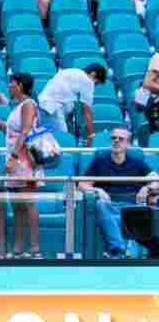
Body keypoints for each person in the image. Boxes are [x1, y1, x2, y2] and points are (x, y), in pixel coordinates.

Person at [0, 71, 43, 258]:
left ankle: (34, 249)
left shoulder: (28, 104)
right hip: (15, 158)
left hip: (24, 159)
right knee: (17, 206)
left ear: (19, 85)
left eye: (11, 83)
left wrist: (12, 156)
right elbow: (11, 131)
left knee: (27, 204)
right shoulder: (18, 106)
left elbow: (26, 131)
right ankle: (18, 249)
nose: (9, 87)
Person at [79, 126, 155, 258]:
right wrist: (97, 189)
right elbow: (81, 184)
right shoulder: (99, 161)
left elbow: (156, 180)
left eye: (121, 139)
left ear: (127, 143)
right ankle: (119, 249)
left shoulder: (137, 163)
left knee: (116, 217)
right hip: (109, 204)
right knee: (101, 205)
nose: (116, 141)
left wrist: (147, 188)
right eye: (113, 138)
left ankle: (117, 252)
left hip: (132, 205)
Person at [37, 63, 106, 143]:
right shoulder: (88, 81)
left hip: (42, 106)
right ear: (93, 74)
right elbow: (86, 112)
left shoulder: (71, 72)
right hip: (53, 108)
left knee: (48, 143)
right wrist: (91, 135)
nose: (94, 85)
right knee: (65, 141)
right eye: (96, 83)